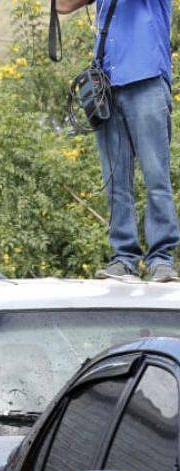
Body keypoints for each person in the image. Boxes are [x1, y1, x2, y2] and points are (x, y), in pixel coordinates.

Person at [57, 0, 177, 282]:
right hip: (108, 84)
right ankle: (124, 259)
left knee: (156, 177)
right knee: (115, 182)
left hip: (147, 78)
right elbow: (61, 5)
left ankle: (161, 260)